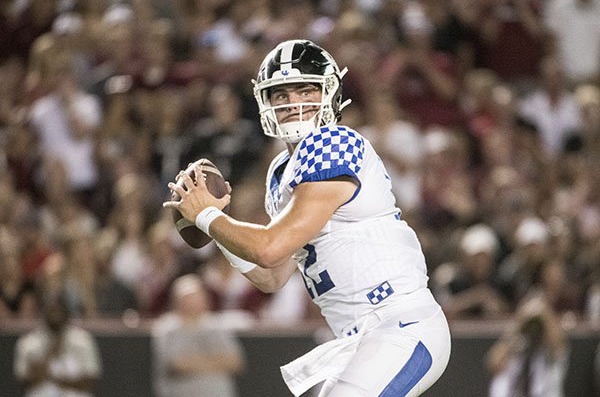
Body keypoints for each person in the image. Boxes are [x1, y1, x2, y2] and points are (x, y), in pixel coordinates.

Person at [164, 39, 451, 397]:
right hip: (362, 337)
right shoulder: (280, 170)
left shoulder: (333, 143)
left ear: (329, 92)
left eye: (305, 90)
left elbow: (269, 248)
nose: (293, 103)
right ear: (265, 102)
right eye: (280, 94)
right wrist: (220, 224)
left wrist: (206, 216)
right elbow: (272, 274)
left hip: (399, 323)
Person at [152, 274, 245, 397]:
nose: (192, 302)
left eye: (196, 296)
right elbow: (178, 365)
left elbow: (236, 362)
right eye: (187, 297)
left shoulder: (217, 326)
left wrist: (195, 362)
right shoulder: (167, 329)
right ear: (176, 300)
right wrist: (216, 362)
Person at [13, 291, 102, 397]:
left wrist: (57, 380)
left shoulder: (83, 340)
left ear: (66, 313)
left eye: (59, 310)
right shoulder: (28, 343)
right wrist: (50, 353)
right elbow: (26, 380)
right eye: (51, 310)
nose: (55, 315)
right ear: (43, 312)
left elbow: (90, 379)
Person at [486, 294, 569, 397]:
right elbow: (493, 363)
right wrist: (521, 320)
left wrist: (542, 311)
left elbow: (558, 343)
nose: (533, 329)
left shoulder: (550, 351)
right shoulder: (516, 345)